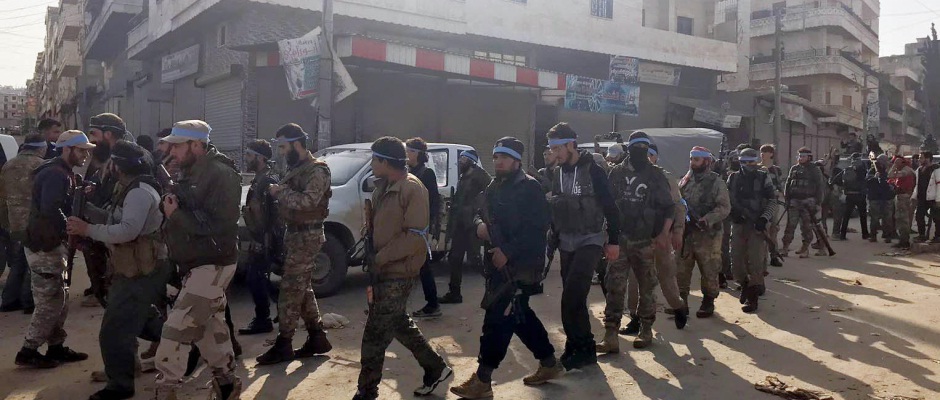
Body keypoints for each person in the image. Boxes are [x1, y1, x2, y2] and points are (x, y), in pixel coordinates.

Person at [451, 137, 561, 399]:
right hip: (497, 264)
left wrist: (507, 252)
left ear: (517, 161)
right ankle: (549, 362)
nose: (498, 161)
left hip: (521, 266)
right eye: (496, 156)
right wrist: (479, 226)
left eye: (504, 157)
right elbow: (480, 212)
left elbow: (536, 230)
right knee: (520, 317)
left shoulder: (530, 188)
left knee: (497, 319)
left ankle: (483, 379)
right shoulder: (494, 185)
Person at [65, 141, 168, 400]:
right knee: (141, 320)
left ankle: (120, 385)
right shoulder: (130, 187)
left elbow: (127, 231)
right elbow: (116, 219)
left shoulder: (139, 193)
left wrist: (87, 230)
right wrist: (87, 210)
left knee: (115, 330)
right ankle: (188, 340)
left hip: (140, 268)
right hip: (133, 266)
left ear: (118, 166)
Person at [355, 136, 451, 400]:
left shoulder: (412, 189)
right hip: (382, 268)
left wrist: (381, 258)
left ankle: (367, 391)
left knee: (375, 333)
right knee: (398, 323)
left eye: (374, 160)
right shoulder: (382, 187)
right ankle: (435, 367)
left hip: (399, 270)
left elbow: (414, 236)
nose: (371, 164)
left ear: (386, 162)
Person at [154, 120, 242, 400]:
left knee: (176, 330)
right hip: (195, 264)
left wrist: (175, 214)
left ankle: (166, 390)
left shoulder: (221, 174)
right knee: (209, 330)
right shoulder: (191, 170)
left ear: (196, 145)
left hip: (213, 263)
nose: (172, 152)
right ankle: (227, 385)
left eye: (177, 146)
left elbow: (219, 225)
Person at [15, 130, 94, 369]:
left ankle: (56, 347)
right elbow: (51, 208)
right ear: (67, 149)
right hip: (45, 246)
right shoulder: (55, 174)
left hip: (50, 243)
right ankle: (28, 350)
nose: (85, 155)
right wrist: (71, 228)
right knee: (50, 301)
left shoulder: (61, 172)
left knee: (60, 298)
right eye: (81, 150)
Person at [543, 123, 620, 367]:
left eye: (557, 148)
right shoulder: (557, 173)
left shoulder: (594, 171)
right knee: (571, 297)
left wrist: (614, 241)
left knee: (573, 296)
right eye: (551, 149)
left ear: (570, 145)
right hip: (566, 241)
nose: (554, 154)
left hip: (591, 239)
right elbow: (556, 207)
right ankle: (578, 347)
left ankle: (583, 346)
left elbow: (611, 207)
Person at [256, 124, 333, 365]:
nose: (280, 152)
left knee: (290, 290)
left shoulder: (317, 170)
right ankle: (317, 336)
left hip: (307, 236)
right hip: (295, 235)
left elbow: (309, 201)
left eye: (283, 146)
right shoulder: (296, 168)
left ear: (296, 144)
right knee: (302, 288)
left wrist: (279, 193)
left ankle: (284, 343)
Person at [601, 131, 673, 350]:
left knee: (647, 287)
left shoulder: (656, 175)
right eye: (636, 147)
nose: (640, 152)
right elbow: (607, 205)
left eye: (644, 148)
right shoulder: (616, 173)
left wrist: (663, 234)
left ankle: (646, 329)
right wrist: (607, 237)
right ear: (629, 149)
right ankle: (611, 334)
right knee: (614, 286)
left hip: (645, 240)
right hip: (620, 239)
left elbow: (668, 207)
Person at [620, 142, 688, 335]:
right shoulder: (626, 176)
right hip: (637, 238)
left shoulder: (664, 177)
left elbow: (677, 206)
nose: (646, 157)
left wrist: (677, 231)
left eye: (650, 154)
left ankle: (678, 306)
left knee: (666, 278)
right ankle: (636, 318)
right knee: (635, 281)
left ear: (655, 157)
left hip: (660, 237)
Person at [82, 113, 132, 308]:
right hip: (105, 220)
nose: (91, 140)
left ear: (108, 134)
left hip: (121, 226)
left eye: (94, 134)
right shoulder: (105, 158)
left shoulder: (126, 159)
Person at [676, 146, 730, 319]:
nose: (693, 163)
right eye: (691, 159)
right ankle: (681, 302)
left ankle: (708, 301)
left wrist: (707, 219)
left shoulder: (716, 182)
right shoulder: (685, 180)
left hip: (708, 235)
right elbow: (678, 202)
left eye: (696, 160)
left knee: (709, 269)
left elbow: (724, 207)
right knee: (681, 269)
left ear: (706, 162)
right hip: (687, 233)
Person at [237, 140, 281, 336]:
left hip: (266, 240)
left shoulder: (267, 181)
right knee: (258, 278)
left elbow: (274, 216)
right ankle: (282, 307)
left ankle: (264, 319)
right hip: (260, 238)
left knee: (255, 278)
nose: (246, 158)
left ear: (260, 158)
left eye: (249, 155)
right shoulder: (259, 180)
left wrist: (268, 242)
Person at [727, 149, 778, 313]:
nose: (748, 165)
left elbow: (772, 201)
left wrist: (764, 218)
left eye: (751, 162)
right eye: (745, 162)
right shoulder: (733, 178)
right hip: (738, 224)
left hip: (756, 225)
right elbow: (727, 200)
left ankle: (753, 297)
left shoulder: (763, 177)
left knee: (755, 262)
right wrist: (733, 213)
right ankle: (744, 284)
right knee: (736, 262)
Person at [438, 149, 491, 305]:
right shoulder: (463, 177)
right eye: (460, 159)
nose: (460, 162)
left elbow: (490, 194)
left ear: (471, 161)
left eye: (463, 159)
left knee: (475, 260)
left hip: (472, 224)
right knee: (454, 258)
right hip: (460, 224)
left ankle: (495, 288)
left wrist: (476, 208)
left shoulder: (480, 176)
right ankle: (454, 293)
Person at [0, 134, 46, 314]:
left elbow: (2, 196)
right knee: (33, 262)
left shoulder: (8, 165)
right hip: (33, 222)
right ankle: (28, 301)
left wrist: (6, 221)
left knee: (19, 260)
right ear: (41, 148)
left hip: (14, 222)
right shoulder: (41, 165)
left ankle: (9, 299)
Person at [402, 137, 444, 319]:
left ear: (419, 154)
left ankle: (433, 304)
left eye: (410, 151)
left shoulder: (426, 174)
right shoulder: (408, 172)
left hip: (420, 227)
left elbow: (433, 202)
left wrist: (431, 229)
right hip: (407, 225)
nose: (407, 154)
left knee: (423, 265)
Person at [782, 147, 826, 258]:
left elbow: (820, 187)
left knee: (806, 227)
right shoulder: (794, 168)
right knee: (790, 226)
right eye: (799, 156)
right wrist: (787, 199)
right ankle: (785, 247)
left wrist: (818, 203)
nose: (800, 158)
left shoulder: (814, 169)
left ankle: (805, 248)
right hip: (794, 201)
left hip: (808, 202)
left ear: (809, 157)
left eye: (803, 156)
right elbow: (788, 184)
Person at [836, 153, 870, 241]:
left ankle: (842, 234)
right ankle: (865, 234)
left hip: (850, 194)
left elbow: (839, 180)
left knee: (846, 216)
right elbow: (866, 181)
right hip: (860, 195)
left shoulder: (847, 169)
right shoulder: (863, 169)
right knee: (863, 215)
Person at [760, 145, 785, 253]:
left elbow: (781, 187)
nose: (762, 154)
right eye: (761, 152)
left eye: (765, 152)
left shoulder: (776, 170)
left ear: (771, 154)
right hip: (760, 202)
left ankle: (774, 253)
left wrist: (777, 193)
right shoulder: (757, 168)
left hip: (773, 202)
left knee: (773, 229)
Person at [888, 156, 915, 249]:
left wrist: (894, 166)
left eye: (896, 163)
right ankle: (903, 240)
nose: (894, 165)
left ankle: (904, 241)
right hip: (901, 195)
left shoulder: (906, 170)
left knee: (903, 219)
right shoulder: (905, 169)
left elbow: (890, 175)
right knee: (900, 219)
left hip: (904, 196)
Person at [867, 154, 895, 244]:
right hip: (875, 197)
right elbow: (867, 181)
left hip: (886, 197)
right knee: (875, 218)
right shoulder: (873, 170)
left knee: (887, 218)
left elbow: (893, 182)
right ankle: (873, 235)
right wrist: (874, 177)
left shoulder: (889, 170)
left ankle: (887, 236)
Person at [914, 151, 940, 242]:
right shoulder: (919, 170)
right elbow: (917, 184)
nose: (919, 159)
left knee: (937, 218)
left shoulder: (936, 169)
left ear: (928, 159)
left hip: (933, 198)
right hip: (922, 198)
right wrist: (914, 196)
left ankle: (938, 236)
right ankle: (922, 235)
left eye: (921, 158)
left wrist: (938, 199)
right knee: (919, 216)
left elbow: (939, 185)